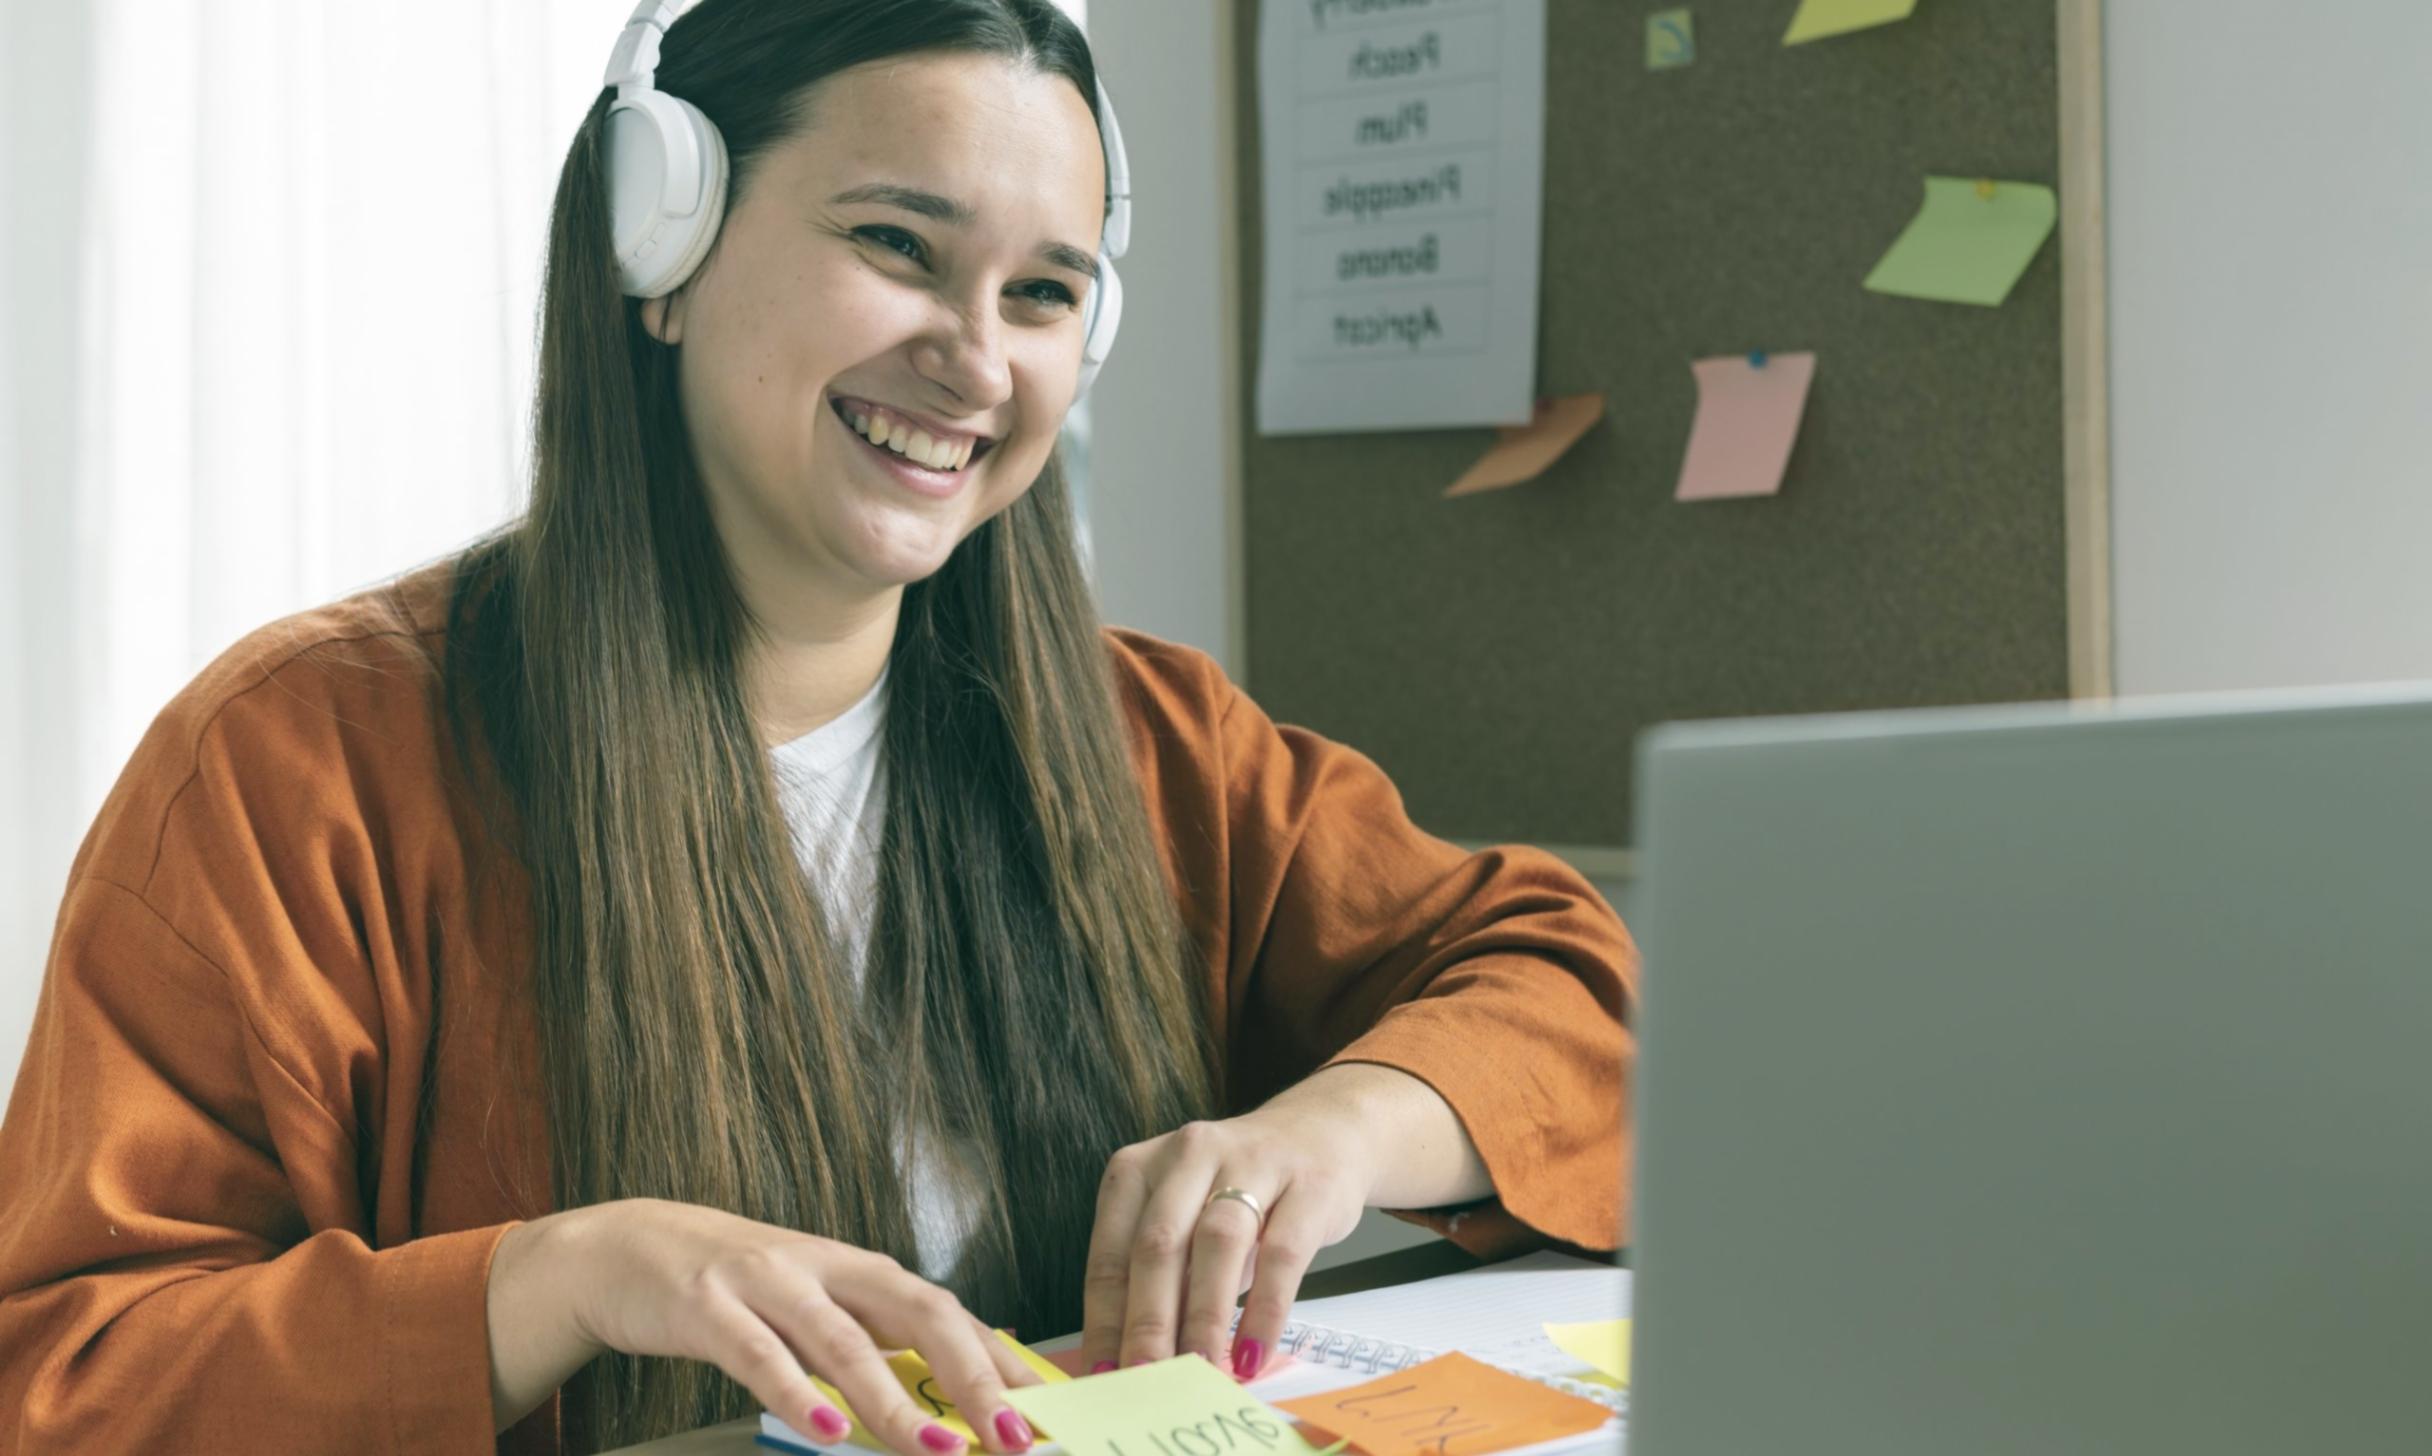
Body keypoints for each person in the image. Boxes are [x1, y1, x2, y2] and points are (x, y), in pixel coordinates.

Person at [0, 2, 1636, 1453]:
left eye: (1044, 292)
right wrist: (559, 1280)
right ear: (661, 249)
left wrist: (1343, 1128)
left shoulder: (1156, 741)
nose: (976, 361)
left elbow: (1582, 1000)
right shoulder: (296, 765)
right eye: (899, 246)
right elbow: (71, 1379)